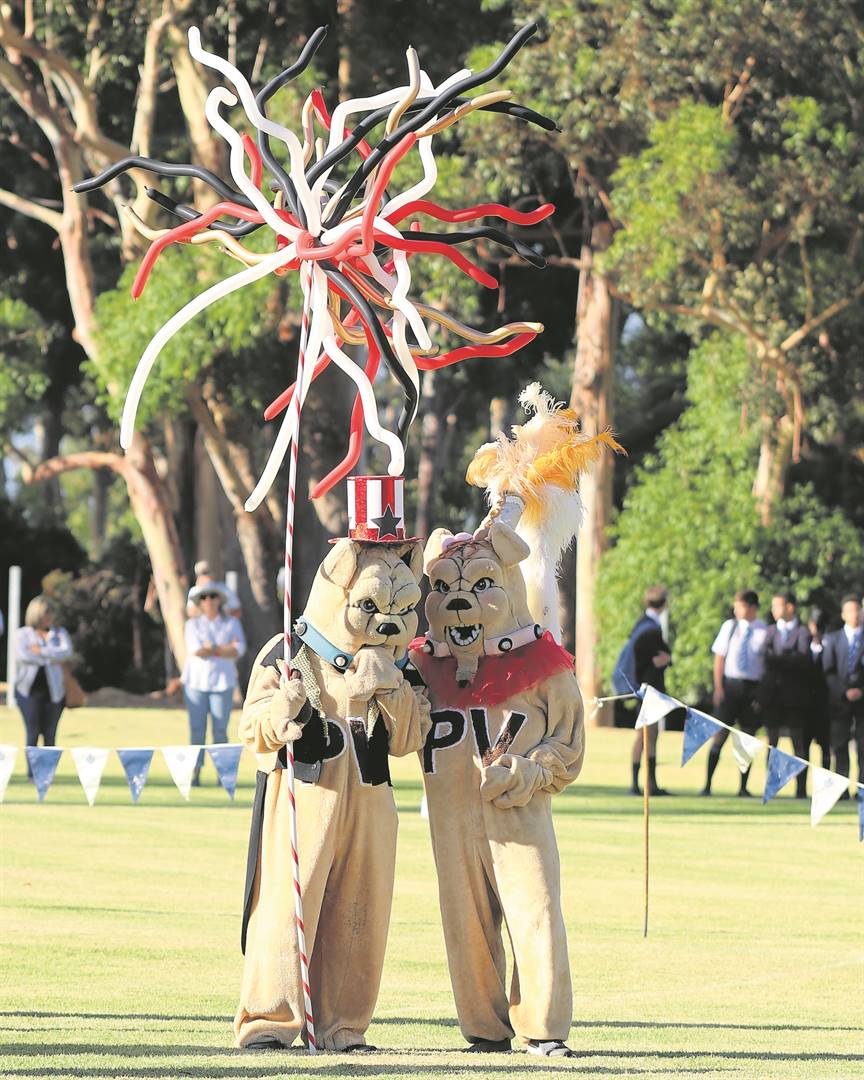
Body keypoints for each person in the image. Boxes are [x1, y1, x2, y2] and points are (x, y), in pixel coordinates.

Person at [702, 590, 767, 797]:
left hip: (752, 688)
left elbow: (766, 663)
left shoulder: (764, 630)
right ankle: (707, 784)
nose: (737, 610)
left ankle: (743, 787)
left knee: (747, 738)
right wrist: (718, 687)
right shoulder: (729, 627)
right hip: (730, 686)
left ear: (752, 607)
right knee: (719, 735)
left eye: (741, 606)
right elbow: (719, 658)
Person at [182, 583, 246, 786]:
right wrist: (223, 649)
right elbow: (197, 651)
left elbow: (238, 649)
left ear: (219, 600)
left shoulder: (231, 623)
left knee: (220, 730)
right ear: (200, 602)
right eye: (204, 597)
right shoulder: (192, 625)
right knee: (197, 730)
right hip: (195, 683)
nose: (208, 600)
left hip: (222, 683)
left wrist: (213, 648)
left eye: (212, 596)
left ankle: (222, 774)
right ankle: (195, 773)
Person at [759, 592, 812, 797]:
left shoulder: (802, 632)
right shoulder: (771, 631)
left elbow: (803, 660)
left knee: (798, 742)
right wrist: (788, 657)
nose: (773, 610)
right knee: (771, 742)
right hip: (772, 697)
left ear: (790, 607)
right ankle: (771, 786)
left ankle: (801, 789)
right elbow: (765, 658)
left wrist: (779, 659)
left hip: (795, 698)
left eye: (777, 605)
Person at [14, 597, 73, 776]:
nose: (50, 617)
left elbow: (67, 652)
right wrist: (52, 657)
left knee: (50, 734)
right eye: (46, 613)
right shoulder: (22, 634)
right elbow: (24, 656)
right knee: (32, 733)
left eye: (51, 613)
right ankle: (32, 775)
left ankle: (47, 775)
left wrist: (41, 652)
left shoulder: (59, 633)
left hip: (54, 693)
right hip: (29, 692)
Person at [628, 585, 673, 796]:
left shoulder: (642, 624)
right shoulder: (651, 629)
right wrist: (666, 659)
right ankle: (641, 784)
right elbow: (657, 658)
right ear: (664, 602)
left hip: (644, 689)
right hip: (648, 690)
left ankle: (649, 783)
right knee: (646, 735)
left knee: (649, 735)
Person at [822, 594, 864, 799]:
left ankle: (862, 789)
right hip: (839, 702)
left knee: (863, 746)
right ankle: (841, 789)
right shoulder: (832, 639)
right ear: (843, 614)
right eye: (850, 611)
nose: (855, 614)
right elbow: (828, 671)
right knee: (839, 746)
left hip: (862, 701)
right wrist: (844, 692)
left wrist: (860, 690)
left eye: (858, 610)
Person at [805, 607, 831, 770]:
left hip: (825, 705)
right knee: (803, 749)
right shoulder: (803, 645)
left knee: (826, 748)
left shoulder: (830, 646)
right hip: (805, 705)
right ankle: (801, 785)